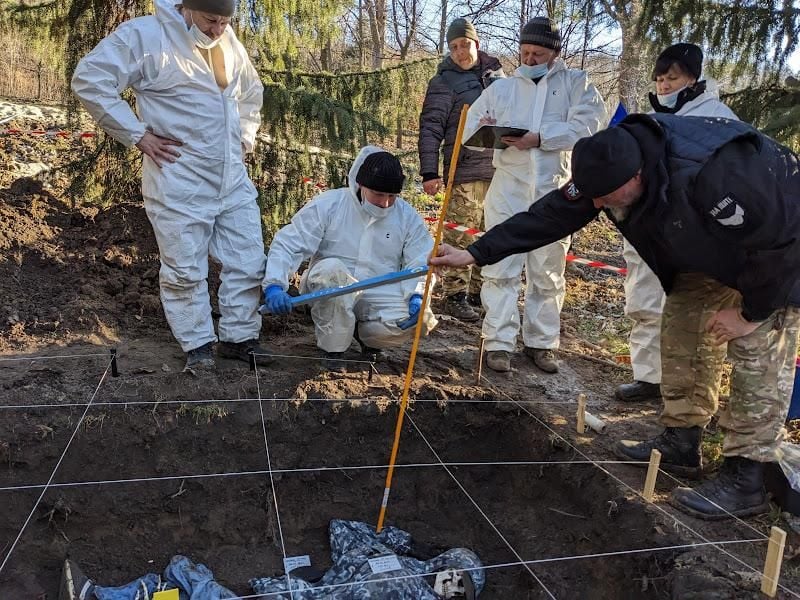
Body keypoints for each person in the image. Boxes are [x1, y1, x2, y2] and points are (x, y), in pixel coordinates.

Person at [430, 113, 800, 520]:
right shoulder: (605, 171)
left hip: (781, 261)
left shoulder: (716, 174)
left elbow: (783, 242)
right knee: (682, 328)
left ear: (638, 174)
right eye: (593, 197)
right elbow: (551, 214)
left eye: (605, 196)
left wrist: (749, 313)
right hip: (712, 253)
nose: (599, 205)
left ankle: (746, 477)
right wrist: (476, 252)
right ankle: (682, 440)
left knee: (758, 352)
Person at [71, 0, 268, 373]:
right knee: (184, 268)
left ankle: (240, 338)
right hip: (179, 177)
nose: (218, 29)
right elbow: (90, 79)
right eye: (211, 20)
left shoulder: (229, 42)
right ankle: (198, 346)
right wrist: (137, 134)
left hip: (231, 177)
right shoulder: (147, 36)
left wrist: (244, 137)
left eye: (225, 21)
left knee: (247, 261)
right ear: (188, 7)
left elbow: (250, 93)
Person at [459, 16, 606, 374]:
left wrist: (540, 138)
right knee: (500, 267)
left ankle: (541, 343)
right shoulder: (502, 89)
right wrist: (488, 131)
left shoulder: (577, 84)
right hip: (507, 188)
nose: (530, 59)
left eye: (538, 53)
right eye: (524, 52)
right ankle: (498, 342)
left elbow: (589, 126)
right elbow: (470, 125)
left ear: (555, 54)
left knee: (548, 271)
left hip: (555, 192)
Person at [618, 43, 739, 404]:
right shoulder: (650, 118)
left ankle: (685, 397)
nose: (664, 86)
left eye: (672, 78)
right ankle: (648, 377)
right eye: (659, 79)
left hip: (694, 233)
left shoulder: (720, 117)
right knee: (644, 302)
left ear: (693, 78)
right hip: (650, 225)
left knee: (690, 318)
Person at [263, 147, 437, 371]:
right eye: (378, 194)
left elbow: (421, 259)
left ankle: (367, 337)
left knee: (421, 319)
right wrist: (275, 285)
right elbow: (290, 243)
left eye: (392, 196)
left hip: (377, 288)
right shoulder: (330, 204)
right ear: (361, 184)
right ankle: (333, 348)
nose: (385, 203)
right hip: (329, 286)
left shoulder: (406, 216)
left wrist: (418, 294)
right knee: (332, 272)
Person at [418, 17, 504, 323]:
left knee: (491, 232)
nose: (460, 52)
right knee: (460, 234)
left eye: (465, 44)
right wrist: (430, 172)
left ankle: (481, 292)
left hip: (500, 170)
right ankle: (455, 294)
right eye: (453, 47)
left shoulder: (497, 75)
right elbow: (430, 128)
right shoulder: (442, 83)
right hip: (464, 169)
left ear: (476, 43)